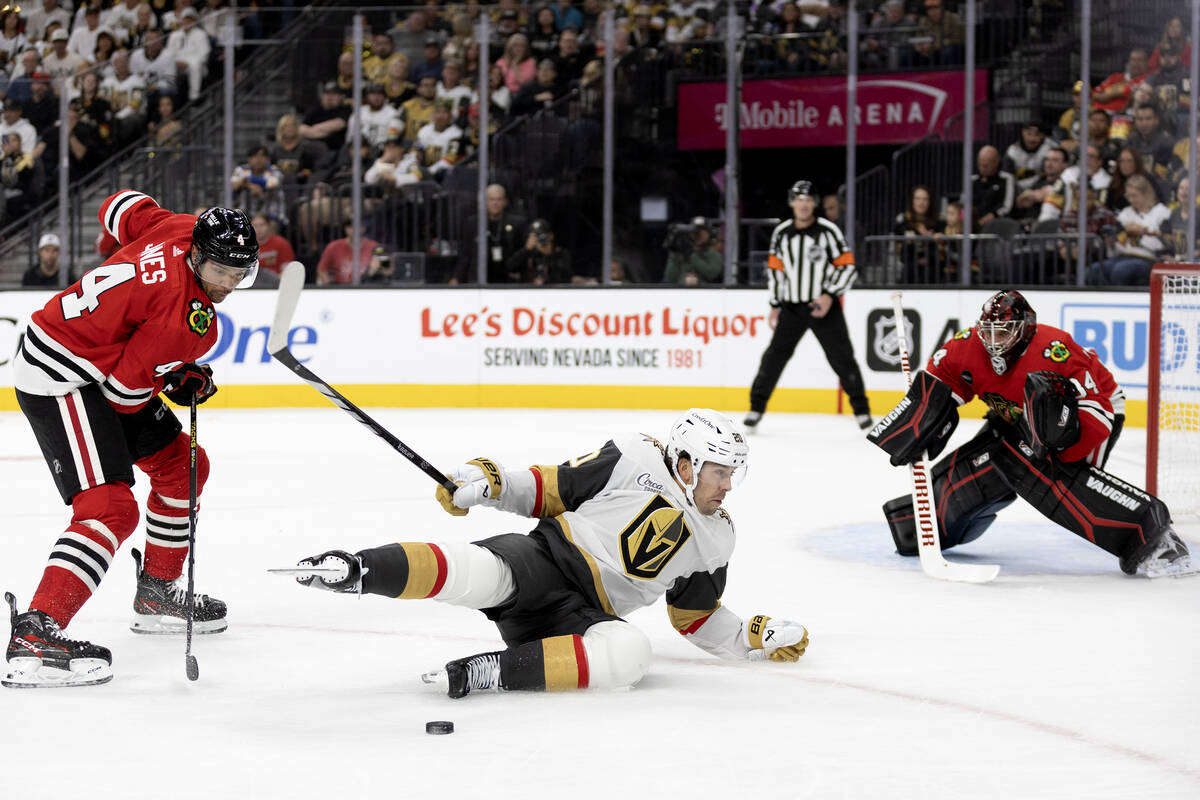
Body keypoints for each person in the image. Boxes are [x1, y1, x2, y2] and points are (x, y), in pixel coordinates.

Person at [287, 408, 810, 698]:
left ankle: (491, 671)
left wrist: (749, 639)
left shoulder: (718, 537)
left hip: (579, 618)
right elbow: (551, 487)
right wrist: (488, 484)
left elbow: (694, 616)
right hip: (544, 560)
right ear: (689, 462)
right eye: (720, 472)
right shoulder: (634, 455)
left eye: (732, 474)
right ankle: (354, 568)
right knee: (483, 572)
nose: (728, 486)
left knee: (630, 656)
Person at [3, 191, 259, 688]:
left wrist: (132, 286)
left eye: (238, 273)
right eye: (219, 272)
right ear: (197, 255)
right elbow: (123, 396)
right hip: (61, 378)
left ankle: (156, 593)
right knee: (110, 508)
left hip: (88, 363)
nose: (227, 284)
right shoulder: (187, 321)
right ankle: (36, 633)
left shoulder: (181, 226)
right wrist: (175, 375)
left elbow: (119, 206)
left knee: (185, 466)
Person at [866, 290, 1193, 579]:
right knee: (997, 458)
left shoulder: (1055, 350)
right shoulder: (964, 347)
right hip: (1016, 416)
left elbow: (1099, 408)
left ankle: (1152, 536)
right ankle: (925, 524)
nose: (994, 341)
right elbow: (939, 388)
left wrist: (1055, 449)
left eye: (1004, 331)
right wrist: (918, 424)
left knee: (1041, 471)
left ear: (1025, 329)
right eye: (988, 331)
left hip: (1090, 413)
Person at [745, 180, 871, 431]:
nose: (803, 205)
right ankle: (755, 409)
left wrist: (828, 295)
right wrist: (774, 304)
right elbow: (775, 271)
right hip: (791, 307)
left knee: (842, 358)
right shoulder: (782, 233)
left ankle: (863, 412)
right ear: (792, 203)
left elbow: (847, 267)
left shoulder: (828, 231)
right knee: (773, 359)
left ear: (814, 203)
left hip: (822, 307)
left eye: (808, 200)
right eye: (798, 200)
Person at [1086, 173, 1170, 286]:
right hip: (1123, 256)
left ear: (1146, 193)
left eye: (1134, 196)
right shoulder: (1125, 213)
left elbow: (1166, 243)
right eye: (1128, 196)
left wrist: (1142, 232)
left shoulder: (1161, 212)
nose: (1131, 200)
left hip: (1149, 258)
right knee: (1093, 270)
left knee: (1121, 271)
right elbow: (1118, 246)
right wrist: (1111, 242)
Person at [506, 217, 573, 284]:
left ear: (551, 235)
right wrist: (525, 250)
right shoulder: (528, 254)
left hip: (553, 291)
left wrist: (549, 254)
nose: (538, 239)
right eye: (535, 236)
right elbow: (509, 268)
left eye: (541, 235)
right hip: (528, 292)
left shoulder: (560, 253)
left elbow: (565, 277)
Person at [662, 215, 722, 284]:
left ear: (709, 234)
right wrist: (674, 254)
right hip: (680, 292)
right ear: (689, 234)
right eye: (695, 232)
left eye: (703, 232)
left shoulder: (714, 255)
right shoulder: (681, 254)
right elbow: (670, 278)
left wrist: (693, 256)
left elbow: (712, 274)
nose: (699, 235)